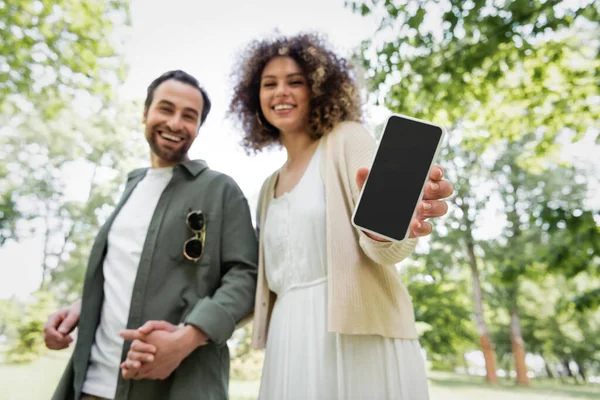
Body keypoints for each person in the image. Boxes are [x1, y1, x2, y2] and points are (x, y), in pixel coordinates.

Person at [125, 33, 453, 399]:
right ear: (255, 97)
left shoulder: (347, 139)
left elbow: (387, 248)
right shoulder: (268, 187)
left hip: (358, 338)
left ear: (319, 89)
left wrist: (388, 232)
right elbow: (255, 281)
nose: (281, 91)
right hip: (288, 341)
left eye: (295, 81)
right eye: (269, 84)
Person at [43, 70, 258, 400]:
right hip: (92, 386)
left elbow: (246, 276)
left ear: (198, 127)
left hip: (178, 388)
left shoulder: (220, 190)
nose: (175, 123)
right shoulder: (131, 187)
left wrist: (186, 339)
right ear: (145, 113)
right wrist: (81, 306)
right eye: (165, 109)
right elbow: (127, 269)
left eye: (189, 116)